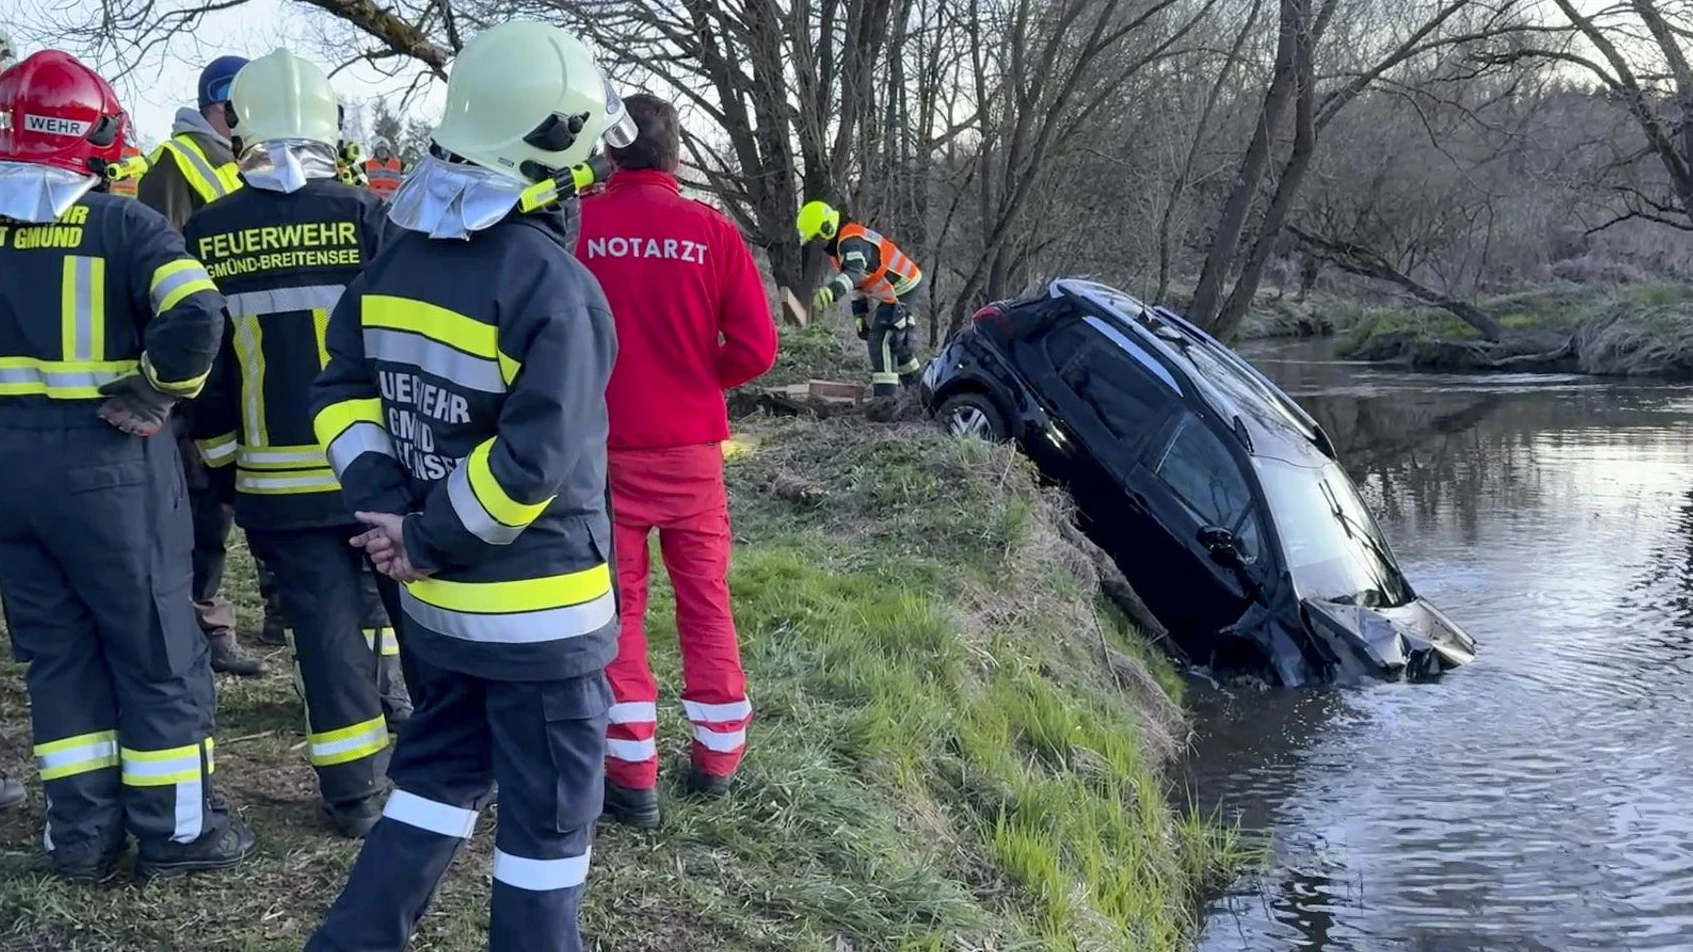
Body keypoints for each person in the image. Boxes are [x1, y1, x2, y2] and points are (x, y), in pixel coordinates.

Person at [303, 21, 635, 952]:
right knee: (545, 838)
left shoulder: (395, 259)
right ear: (556, 146)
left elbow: (339, 391)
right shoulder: (555, 288)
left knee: (435, 784)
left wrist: (389, 514)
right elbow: (534, 461)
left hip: (436, 614)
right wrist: (425, 536)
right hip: (540, 630)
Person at [0, 49, 256, 881]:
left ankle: (78, 839)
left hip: (10, 478)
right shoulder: (124, 224)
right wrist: (156, 393)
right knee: (155, 648)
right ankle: (177, 832)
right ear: (94, 135)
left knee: (58, 657)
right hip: (108, 468)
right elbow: (196, 313)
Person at [182, 48, 409, 837]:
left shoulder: (205, 231)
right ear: (328, 125)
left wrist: (218, 467)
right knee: (408, 609)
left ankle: (354, 795)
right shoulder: (366, 217)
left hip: (274, 485)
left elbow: (201, 370)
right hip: (375, 470)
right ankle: (437, 757)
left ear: (238, 126)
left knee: (321, 631)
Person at [576, 93, 775, 827]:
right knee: (705, 602)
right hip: (691, 455)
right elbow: (756, 349)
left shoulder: (578, 226)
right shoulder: (712, 232)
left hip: (602, 452)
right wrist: (693, 380)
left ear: (609, 152)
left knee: (618, 611)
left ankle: (632, 778)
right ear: (676, 156)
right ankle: (718, 758)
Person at [138, 54, 271, 677]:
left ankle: (261, 608)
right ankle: (205, 624)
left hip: (243, 356)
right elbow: (162, 272)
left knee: (236, 491)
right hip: (201, 363)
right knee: (198, 497)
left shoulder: (243, 163)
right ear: (229, 105)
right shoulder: (178, 164)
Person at [796, 200, 924, 397]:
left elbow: (854, 273)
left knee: (881, 339)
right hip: (899, 286)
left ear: (827, 228)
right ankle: (921, 394)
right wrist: (860, 317)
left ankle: (885, 402)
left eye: (816, 238)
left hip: (902, 286)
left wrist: (832, 291)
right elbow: (860, 284)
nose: (816, 244)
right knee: (899, 340)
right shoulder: (840, 247)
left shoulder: (850, 241)